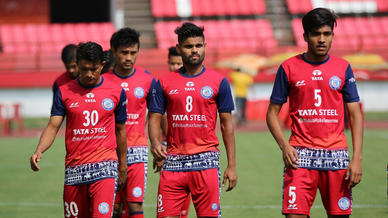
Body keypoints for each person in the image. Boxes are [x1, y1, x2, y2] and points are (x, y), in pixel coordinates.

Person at [266, 8, 363, 218]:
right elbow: (272, 113)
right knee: (294, 215)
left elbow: (355, 115)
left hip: (336, 157)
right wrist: (284, 146)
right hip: (300, 157)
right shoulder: (288, 67)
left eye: (326, 34)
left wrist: (356, 158)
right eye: (316, 34)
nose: (321, 39)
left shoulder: (343, 68)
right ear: (305, 36)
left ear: (332, 36)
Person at [148, 22, 237, 218]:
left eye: (198, 45)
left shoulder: (219, 81)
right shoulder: (164, 82)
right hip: (173, 163)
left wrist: (231, 165)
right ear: (179, 49)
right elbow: (154, 117)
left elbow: (226, 124)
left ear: (205, 46)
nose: (194, 50)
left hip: (206, 163)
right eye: (189, 46)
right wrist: (155, 143)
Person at [29, 42, 128, 218]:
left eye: (94, 69)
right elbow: (53, 125)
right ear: (78, 65)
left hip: (105, 167)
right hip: (74, 169)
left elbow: (120, 131)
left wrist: (122, 165)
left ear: (102, 65)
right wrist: (39, 150)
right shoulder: (64, 91)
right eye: (84, 69)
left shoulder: (116, 91)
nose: (89, 74)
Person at [104, 27, 156, 218]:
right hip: (109, 152)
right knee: (114, 208)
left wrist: (157, 144)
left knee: (135, 205)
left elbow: (156, 115)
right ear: (114, 52)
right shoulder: (103, 81)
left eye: (133, 53)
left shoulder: (147, 79)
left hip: (137, 150)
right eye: (124, 52)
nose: (128, 57)